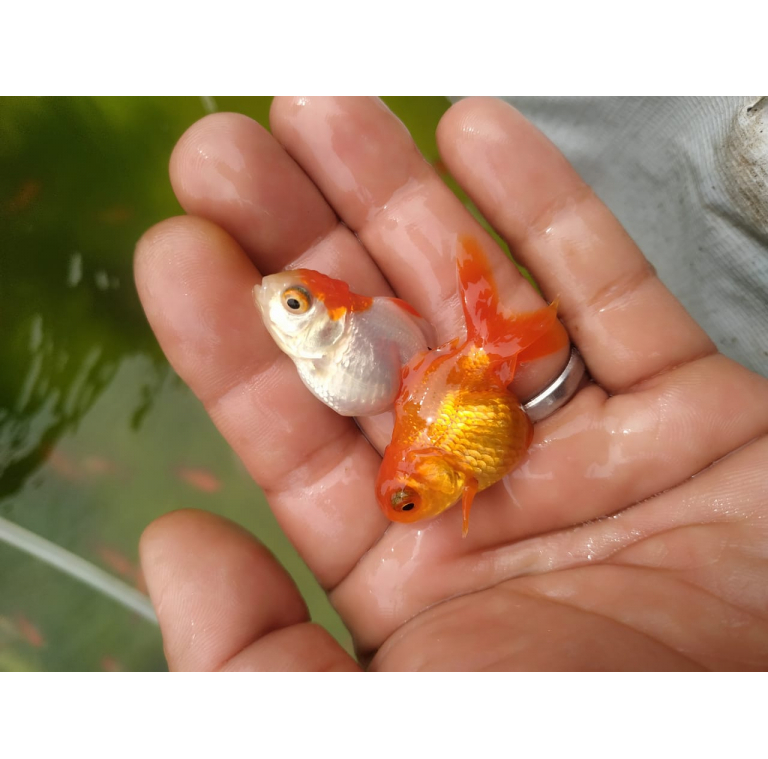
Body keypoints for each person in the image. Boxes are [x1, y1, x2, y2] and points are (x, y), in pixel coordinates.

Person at [134, 97, 768, 671]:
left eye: (407, 500)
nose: (410, 509)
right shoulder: (430, 441)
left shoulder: (432, 440)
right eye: (408, 498)